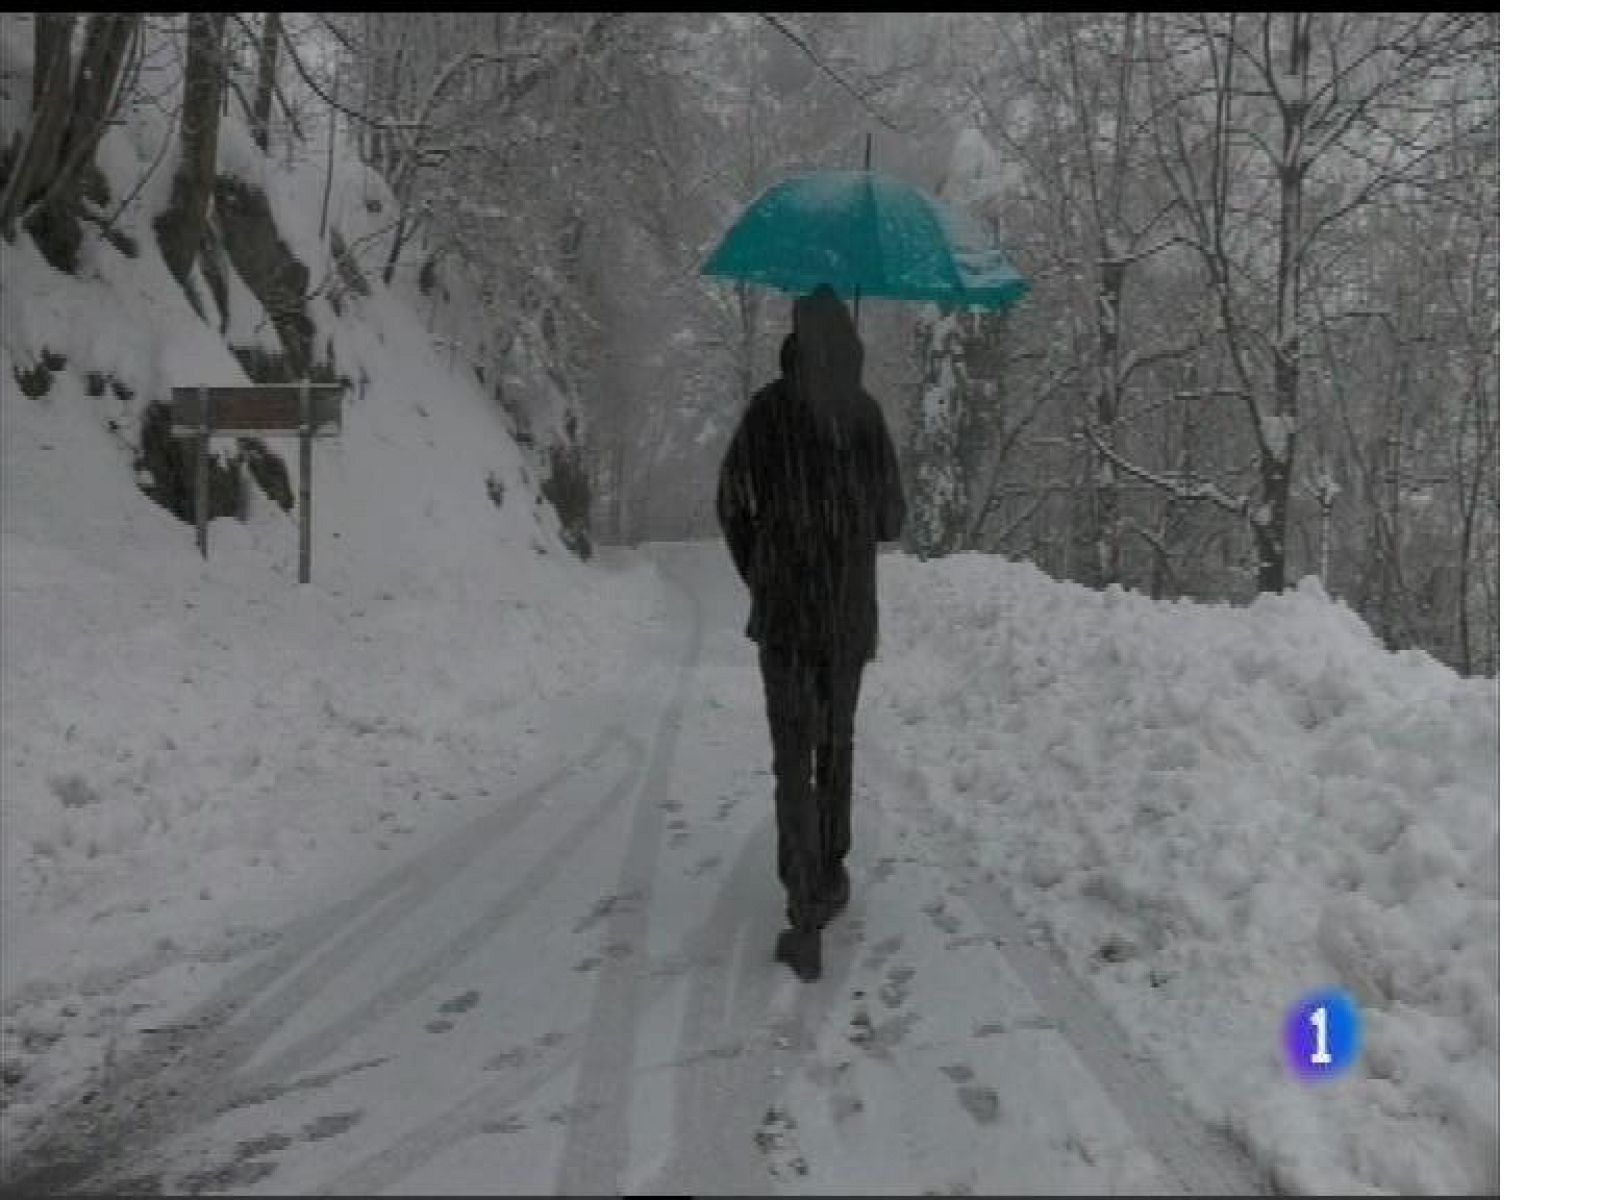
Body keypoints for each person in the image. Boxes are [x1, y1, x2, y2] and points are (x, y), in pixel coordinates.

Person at [716, 285, 906, 981]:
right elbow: (892, 520)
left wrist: (761, 570)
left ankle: (801, 902)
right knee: (837, 746)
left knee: (793, 756)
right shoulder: (865, 415)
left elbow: (730, 502)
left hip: (787, 622)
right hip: (846, 621)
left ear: (794, 336)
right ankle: (829, 871)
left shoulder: (767, 412)